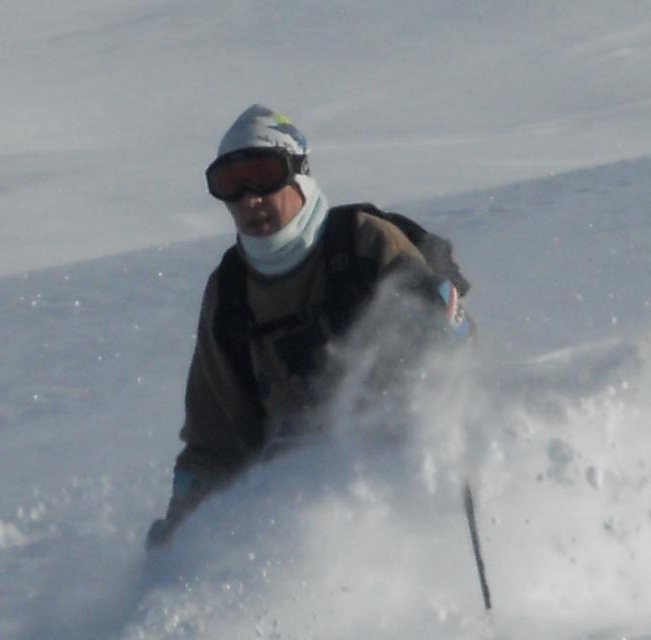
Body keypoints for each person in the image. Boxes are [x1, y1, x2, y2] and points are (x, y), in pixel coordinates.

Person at [147, 104, 474, 549]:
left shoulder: (363, 241)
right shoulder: (230, 291)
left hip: (399, 485)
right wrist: (182, 527)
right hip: (292, 518)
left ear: (300, 173)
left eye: (263, 174)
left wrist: (441, 337)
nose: (249, 198)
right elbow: (215, 438)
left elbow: (452, 348)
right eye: (228, 184)